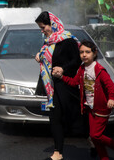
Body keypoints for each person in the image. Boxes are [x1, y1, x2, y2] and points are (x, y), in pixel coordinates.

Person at [53, 40, 114, 160]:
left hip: (102, 108)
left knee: (95, 135)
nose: (84, 55)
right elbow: (74, 82)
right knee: (94, 137)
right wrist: (61, 77)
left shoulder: (99, 70)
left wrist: (112, 98)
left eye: (87, 52)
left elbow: (110, 86)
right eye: (81, 52)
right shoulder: (82, 68)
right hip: (90, 108)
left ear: (94, 53)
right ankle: (104, 158)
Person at [35, 11, 83, 160]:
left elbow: (76, 60)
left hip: (66, 85)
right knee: (54, 117)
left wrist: (63, 69)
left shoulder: (67, 40)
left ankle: (95, 141)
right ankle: (57, 152)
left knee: (74, 118)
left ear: (52, 24)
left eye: (43, 27)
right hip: (52, 86)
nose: (42, 31)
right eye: (41, 29)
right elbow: (47, 55)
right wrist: (40, 55)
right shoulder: (48, 41)